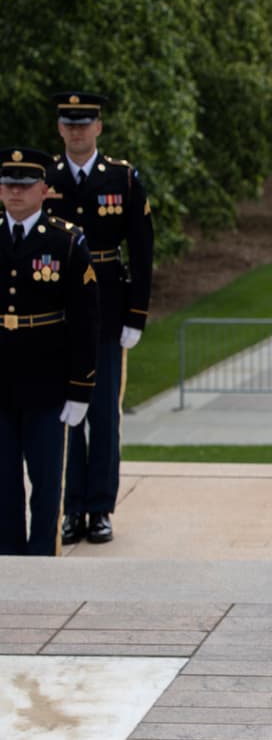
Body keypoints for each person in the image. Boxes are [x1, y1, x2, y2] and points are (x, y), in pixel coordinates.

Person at [44, 91, 154, 545]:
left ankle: (100, 507)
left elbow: (143, 249)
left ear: (99, 127)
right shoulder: (43, 178)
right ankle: (72, 509)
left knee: (104, 414)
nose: (76, 130)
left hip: (108, 309)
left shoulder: (122, 179)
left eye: (84, 123)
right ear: (59, 128)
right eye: (69, 123)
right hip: (58, 315)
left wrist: (137, 313)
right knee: (67, 414)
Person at [0, 148, 98, 556]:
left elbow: (85, 320)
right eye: (8, 184)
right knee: (3, 483)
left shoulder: (66, 241)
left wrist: (80, 389)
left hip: (46, 380)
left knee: (45, 485)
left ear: (44, 190)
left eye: (25, 186)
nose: (16, 192)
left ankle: (41, 559)